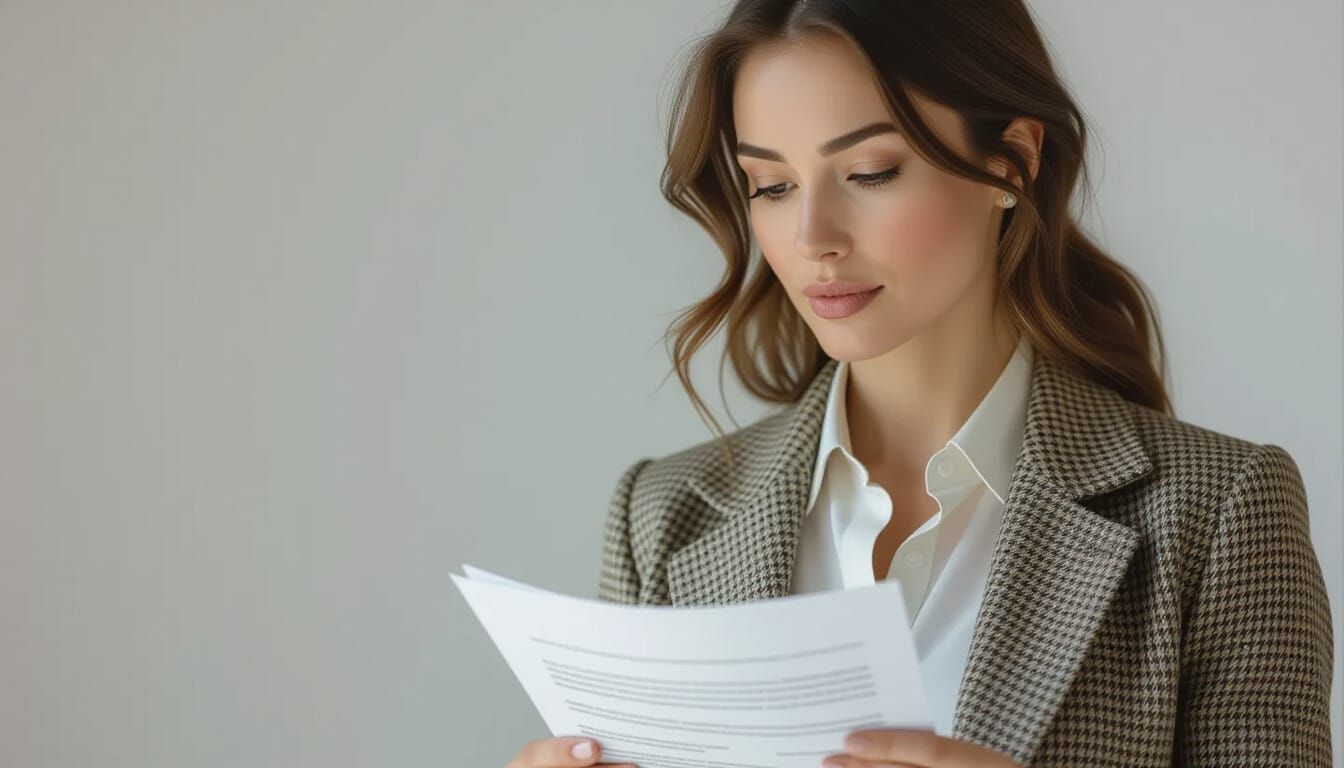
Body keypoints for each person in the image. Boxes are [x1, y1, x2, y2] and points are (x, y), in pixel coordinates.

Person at [508, 1, 1333, 766]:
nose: (810, 238)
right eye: (771, 185)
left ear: (1011, 163)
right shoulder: (662, 515)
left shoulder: (1219, 511)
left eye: (868, 172)